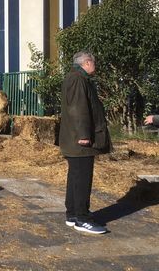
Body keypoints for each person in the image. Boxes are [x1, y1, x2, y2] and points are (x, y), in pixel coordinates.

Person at [58, 51, 112, 234]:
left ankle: (73, 214)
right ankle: (82, 218)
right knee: (82, 178)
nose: (95, 66)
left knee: (76, 176)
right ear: (87, 63)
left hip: (76, 140)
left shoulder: (76, 78)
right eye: (93, 62)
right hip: (80, 141)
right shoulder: (78, 79)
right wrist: (84, 135)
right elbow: (78, 108)